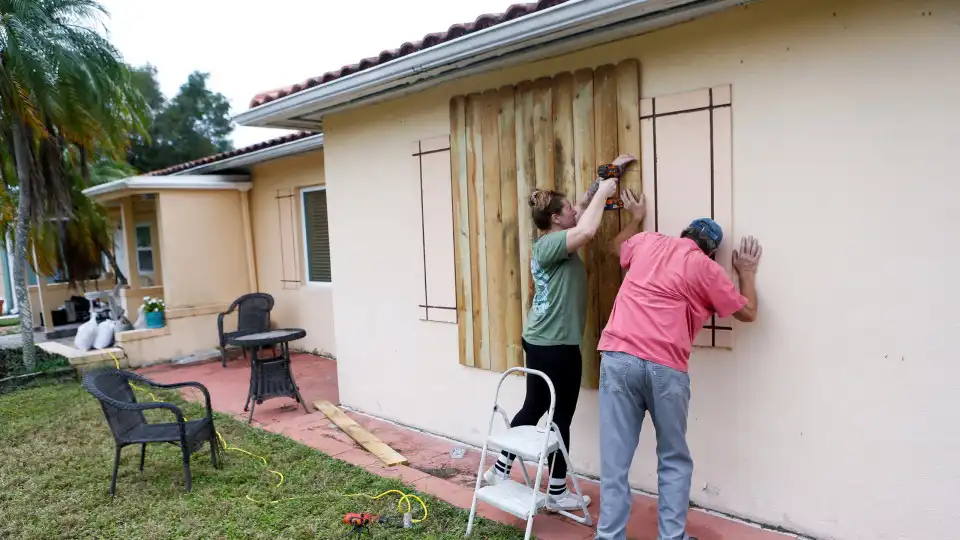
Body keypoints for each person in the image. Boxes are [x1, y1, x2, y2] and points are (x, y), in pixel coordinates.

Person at [594, 189, 763, 540]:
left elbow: (615, 249)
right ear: (711, 251)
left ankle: (608, 536)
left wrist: (637, 218)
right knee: (672, 457)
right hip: (665, 368)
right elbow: (747, 312)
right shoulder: (706, 268)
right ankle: (672, 538)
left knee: (615, 459)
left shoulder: (647, 241)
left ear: (683, 233)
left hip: (618, 356)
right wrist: (745, 272)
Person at [483, 154, 637, 512]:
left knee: (534, 406)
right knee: (559, 416)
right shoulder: (551, 244)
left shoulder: (553, 238)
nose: (574, 210)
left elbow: (583, 208)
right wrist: (609, 189)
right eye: (567, 208)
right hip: (556, 346)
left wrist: (607, 174)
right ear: (555, 218)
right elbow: (586, 228)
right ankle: (556, 492)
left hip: (541, 339)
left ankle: (500, 469)